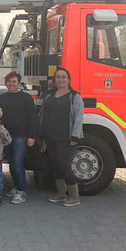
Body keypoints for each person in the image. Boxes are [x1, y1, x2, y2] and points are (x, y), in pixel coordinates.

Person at [40, 67, 84, 207]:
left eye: (63, 77)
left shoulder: (74, 96)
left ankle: (74, 196)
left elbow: (78, 118)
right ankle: (61, 193)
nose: (60, 79)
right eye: (58, 77)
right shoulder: (50, 95)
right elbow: (43, 114)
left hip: (65, 137)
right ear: (54, 80)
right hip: (49, 137)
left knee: (64, 166)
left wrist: (75, 137)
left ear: (69, 80)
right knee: (55, 165)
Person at [0, 71, 39, 204]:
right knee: (12, 164)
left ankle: (21, 192)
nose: (11, 84)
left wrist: (32, 136)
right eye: (9, 81)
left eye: (14, 82)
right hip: (6, 137)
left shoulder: (26, 98)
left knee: (18, 163)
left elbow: (33, 118)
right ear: (6, 83)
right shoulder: (2, 98)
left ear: (19, 83)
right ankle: (16, 187)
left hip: (21, 136)